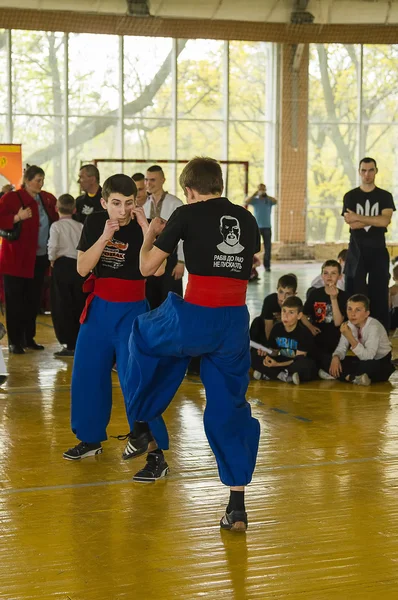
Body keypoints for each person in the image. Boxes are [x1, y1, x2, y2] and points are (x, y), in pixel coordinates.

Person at [125, 156, 261, 532]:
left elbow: (146, 268)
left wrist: (151, 232)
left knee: (141, 335)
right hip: (234, 322)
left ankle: (142, 424)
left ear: (188, 190)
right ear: (220, 183)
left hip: (196, 317)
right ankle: (236, 506)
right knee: (229, 407)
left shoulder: (185, 213)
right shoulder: (247, 219)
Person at [63, 174, 166, 461]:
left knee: (138, 379)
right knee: (87, 373)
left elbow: (158, 271)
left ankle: (154, 452)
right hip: (98, 310)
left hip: (132, 311)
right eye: (116, 204)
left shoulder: (143, 226)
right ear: (104, 201)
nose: (123, 211)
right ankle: (90, 438)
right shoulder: (95, 222)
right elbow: (83, 268)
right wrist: (105, 238)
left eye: (129, 203)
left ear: (137, 202)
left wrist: (148, 231)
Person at [0, 165, 57, 354]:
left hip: (38, 258)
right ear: (27, 180)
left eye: (42, 180)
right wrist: (17, 217)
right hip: (16, 259)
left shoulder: (45, 198)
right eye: (38, 180)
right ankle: (14, 341)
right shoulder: (12, 198)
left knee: (33, 300)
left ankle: (28, 337)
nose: (41, 183)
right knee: (15, 301)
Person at [343, 157, 395, 331]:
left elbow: (385, 221)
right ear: (359, 172)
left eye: (370, 170)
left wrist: (359, 217)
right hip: (356, 251)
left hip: (378, 250)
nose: (367, 174)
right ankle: (354, 331)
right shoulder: (350, 196)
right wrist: (374, 220)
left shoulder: (385, 196)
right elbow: (352, 224)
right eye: (363, 170)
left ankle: (380, 331)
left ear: (376, 171)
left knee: (379, 292)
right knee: (355, 291)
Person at [319, 294, 394, 386]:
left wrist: (350, 337)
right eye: (349, 309)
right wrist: (336, 357)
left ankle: (344, 376)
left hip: (379, 360)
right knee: (326, 359)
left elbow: (368, 357)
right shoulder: (348, 325)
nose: (352, 314)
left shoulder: (374, 327)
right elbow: (341, 348)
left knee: (368, 367)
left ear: (367, 313)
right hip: (361, 359)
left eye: (358, 310)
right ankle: (354, 378)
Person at [48, 194, 86, 357]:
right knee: (79, 303)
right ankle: (80, 340)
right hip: (79, 267)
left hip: (62, 266)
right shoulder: (81, 225)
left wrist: (51, 259)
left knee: (63, 305)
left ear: (57, 208)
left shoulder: (56, 226)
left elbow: (53, 245)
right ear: (75, 209)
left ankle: (69, 343)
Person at [143, 165, 185, 309]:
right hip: (150, 257)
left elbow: (184, 235)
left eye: (153, 180)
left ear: (163, 180)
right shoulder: (144, 205)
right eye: (146, 180)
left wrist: (181, 261)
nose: (148, 183)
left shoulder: (175, 203)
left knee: (171, 300)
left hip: (171, 257)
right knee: (151, 299)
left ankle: (173, 331)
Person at [251, 296, 317, 384]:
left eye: (291, 312)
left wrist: (276, 365)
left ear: (299, 315)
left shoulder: (304, 332)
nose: (286, 316)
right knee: (254, 356)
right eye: (284, 311)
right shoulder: (277, 328)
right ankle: (284, 376)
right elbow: (274, 352)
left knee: (306, 364)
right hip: (282, 360)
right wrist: (266, 352)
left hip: (294, 362)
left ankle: (271, 374)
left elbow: (298, 359)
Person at [302, 260, 348, 370]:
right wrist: (310, 326)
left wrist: (333, 298)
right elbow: (302, 315)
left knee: (327, 357)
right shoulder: (315, 294)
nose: (329, 277)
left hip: (334, 338)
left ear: (340, 276)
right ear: (322, 275)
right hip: (317, 336)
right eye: (326, 273)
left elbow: (338, 322)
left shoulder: (344, 296)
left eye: (333, 273)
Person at [250, 273, 297, 345]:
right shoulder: (270, 301)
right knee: (257, 321)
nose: (283, 297)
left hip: (284, 334)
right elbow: (268, 326)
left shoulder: (296, 304)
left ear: (294, 294)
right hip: (266, 332)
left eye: (288, 294)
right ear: (277, 290)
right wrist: (270, 346)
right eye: (281, 292)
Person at [245, 183, 277, 272]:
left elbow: (276, 201)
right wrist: (255, 194)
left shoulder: (268, 200)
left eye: (263, 189)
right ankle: (251, 264)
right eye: (260, 189)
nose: (262, 191)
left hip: (267, 227)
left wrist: (266, 195)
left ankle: (267, 266)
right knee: (252, 245)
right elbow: (246, 201)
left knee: (268, 247)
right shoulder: (255, 200)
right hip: (257, 227)